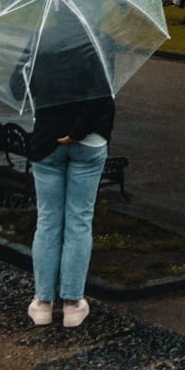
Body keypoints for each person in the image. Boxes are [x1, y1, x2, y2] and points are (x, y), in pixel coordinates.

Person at [26, 91, 113, 328]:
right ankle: (72, 304)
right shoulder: (96, 53)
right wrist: (77, 131)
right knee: (79, 220)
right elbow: (101, 94)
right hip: (90, 141)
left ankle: (43, 303)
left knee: (47, 220)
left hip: (47, 139)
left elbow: (17, 86)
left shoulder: (37, 52)